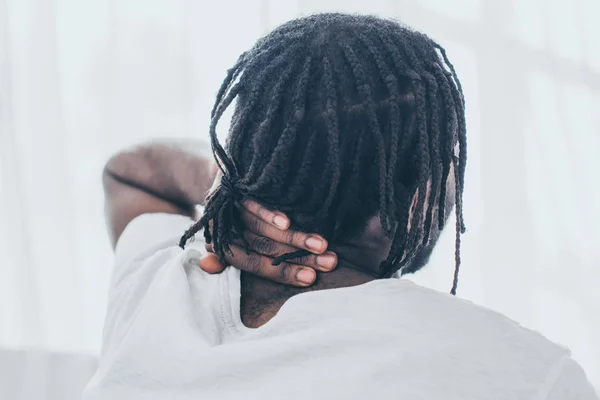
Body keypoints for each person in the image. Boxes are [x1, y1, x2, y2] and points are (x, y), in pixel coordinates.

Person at [84, 13, 597, 400]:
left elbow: (130, 171)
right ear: (422, 186)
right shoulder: (519, 374)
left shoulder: (161, 283)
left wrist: (229, 183)